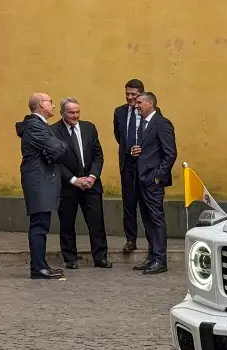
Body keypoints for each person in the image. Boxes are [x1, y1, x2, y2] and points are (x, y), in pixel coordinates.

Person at [52, 97, 112, 270]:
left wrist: (92, 176)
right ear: (62, 113)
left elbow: (98, 155)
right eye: (71, 112)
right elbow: (56, 161)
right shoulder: (53, 131)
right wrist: (73, 180)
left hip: (91, 184)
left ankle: (100, 257)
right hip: (68, 185)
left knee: (96, 222)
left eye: (78, 112)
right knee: (67, 222)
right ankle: (70, 258)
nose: (75, 115)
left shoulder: (89, 128)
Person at [15, 92, 70, 280]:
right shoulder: (35, 127)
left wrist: (53, 150)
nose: (53, 106)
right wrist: (57, 148)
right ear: (40, 105)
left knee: (42, 224)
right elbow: (58, 148)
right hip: (38, 181)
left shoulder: (39, 126)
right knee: (39, 224)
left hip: (42, 179)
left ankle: (41, 264)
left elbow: (52, 150)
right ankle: (37, 267)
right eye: (50, 102)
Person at [129, 91, 177, 275]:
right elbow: (150, 150)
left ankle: (160, 259)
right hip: (141, 179)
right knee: (147, 219)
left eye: (139, 102)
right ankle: (152, 256)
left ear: (150, 103)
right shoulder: (143, 124)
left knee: (156, 219)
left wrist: (158, 176)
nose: (136, 105)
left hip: (153, 181)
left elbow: (170, 153)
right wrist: (136, 151)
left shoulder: (162, 123)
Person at [112, 79, 147, 254]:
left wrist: (142, 149)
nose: (130, 97)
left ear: (141, 93)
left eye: (133, 94)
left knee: (147, 203)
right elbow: (118, 135)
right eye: (127, 94)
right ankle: (130, 239)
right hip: (127, 163)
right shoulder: (119, 112)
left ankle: (151, 239)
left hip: (144, 163)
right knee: (129, 203)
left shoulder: (150, 110)